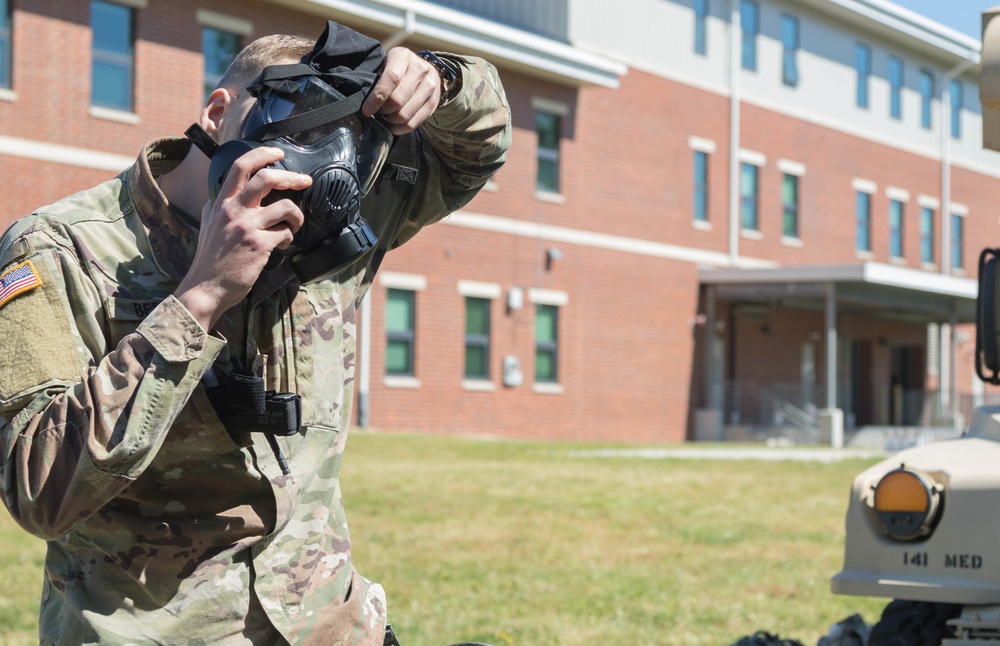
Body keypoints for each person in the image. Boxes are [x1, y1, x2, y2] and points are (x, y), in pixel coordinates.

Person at [0, 19, 510, 646]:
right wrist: (200, 297)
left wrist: (442, 78)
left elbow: (480, 145)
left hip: (327, 622)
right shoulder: (59, 250)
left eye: (338, 142)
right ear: (219, 114)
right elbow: (37, 490)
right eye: (297, 127)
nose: (313, 165)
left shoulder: (328, 222)